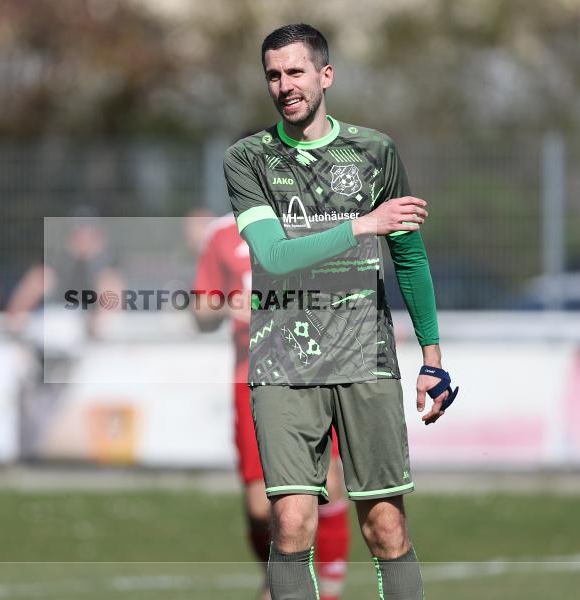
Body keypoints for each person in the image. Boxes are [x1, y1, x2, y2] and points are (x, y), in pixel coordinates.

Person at [224, 24, 450, 600]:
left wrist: (432, 356)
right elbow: (274, 255)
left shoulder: (375, 152)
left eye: (295, 72)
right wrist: (360, 225)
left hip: (364, 357)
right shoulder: (248, 159)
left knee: (386, 527)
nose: (284, 85)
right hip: (283, 361)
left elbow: (409, 257)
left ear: (325, 75)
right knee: (292, 523)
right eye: (273, 75)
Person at [193, 213, 350, 600]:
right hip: (252, 375)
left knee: (327, 483)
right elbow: (200, 313)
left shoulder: (315, 221)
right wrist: (229, 305)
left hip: (310, 368)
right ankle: (277, 578)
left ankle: (325, 589)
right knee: (262, 508)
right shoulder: (222, 233)